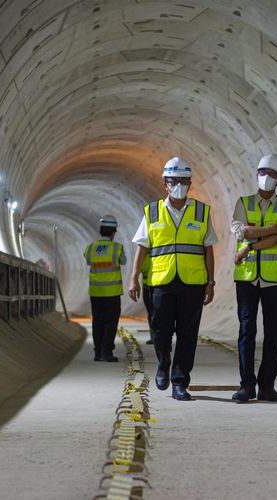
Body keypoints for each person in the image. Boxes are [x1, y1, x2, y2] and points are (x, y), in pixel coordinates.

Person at [128, 157, 217, 401]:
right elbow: (142, 247)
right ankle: (163, 363)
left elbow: (208, 248)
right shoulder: (152, 212)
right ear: (165, 184)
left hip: (193, 283)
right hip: (161, 281)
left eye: (182, 181)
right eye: (173, 181)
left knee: (188, 334)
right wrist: (134, 278)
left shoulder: (201, 212)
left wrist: (210, 282)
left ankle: (180, 381)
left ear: (190, 183)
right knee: (160, 330)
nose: (178, 185)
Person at [230, 154, 277, 402]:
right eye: (263, 173)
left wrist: (249, 246)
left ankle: (267, 386)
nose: (266, 178)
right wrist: (272, 229)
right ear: (257, 175)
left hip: (274, 279)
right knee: (246, 331)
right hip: (246, 278)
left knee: (272, 334)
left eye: (272, 175)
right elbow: (244, 230)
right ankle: (247, 385)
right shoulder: (242, 203)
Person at [84, 215, 125, 362]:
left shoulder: (91, 248)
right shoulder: (117, 248)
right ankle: (106, 352)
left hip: (96, 292)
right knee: (111, 323)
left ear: (100, 230)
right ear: (113, 232)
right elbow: (123, 261)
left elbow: (88, 260)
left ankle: (97, 352)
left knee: (98, 322)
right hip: (112, 293)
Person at [140, 256, 154, 345]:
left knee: (152, 314)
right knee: (153, 314)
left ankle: (155, 337)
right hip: (150, 288)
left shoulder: (144, 257)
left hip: (150, 289)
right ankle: (155, 337)